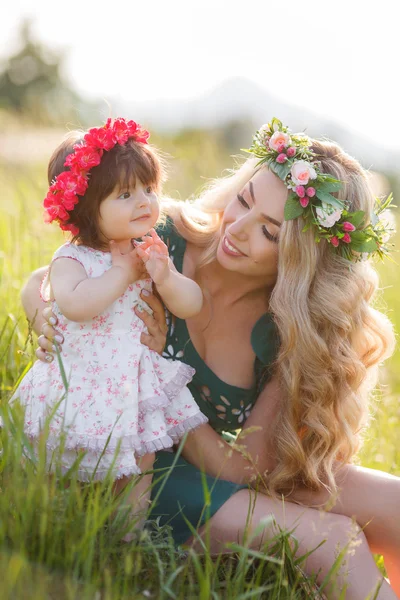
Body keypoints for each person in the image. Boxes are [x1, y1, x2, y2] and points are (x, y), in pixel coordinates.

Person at [22, 118, 400, 599]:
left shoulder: (291, 329)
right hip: (127, 466)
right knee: (333, 541)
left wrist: (165, 376)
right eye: (244, 200)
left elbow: (244, 468)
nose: (237, 229)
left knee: (397, 504)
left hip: (217, 468)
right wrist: (48, 320)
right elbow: (47, 278)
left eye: (268, 230)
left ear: (304, 257)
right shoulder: (161, 236)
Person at [10, 117, 207, 531]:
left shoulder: (146, 251)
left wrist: (167, 276)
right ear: (84, 208)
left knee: (140, 458)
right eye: (125, 194)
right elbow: (77, 304)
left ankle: (126, 531)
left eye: (150, 189)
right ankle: (49, 518)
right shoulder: (72, 258)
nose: (145, 202)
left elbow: (191, 305)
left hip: (129, 380)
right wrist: (121, 274)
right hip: (80, 378)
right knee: (59, 451)